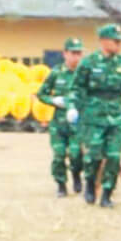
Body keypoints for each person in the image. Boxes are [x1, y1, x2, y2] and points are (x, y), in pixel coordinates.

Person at [72, 22, 121, 208]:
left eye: (120, 41)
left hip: (116, 114)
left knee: (114, 156)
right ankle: (90, 184)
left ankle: (107, 193)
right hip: (94, 115)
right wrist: (75, 108)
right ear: (104, 41)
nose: (119, 44)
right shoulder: (89, 62)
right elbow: (77, 88)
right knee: (93, 155)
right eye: (116, 41)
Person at [37, 36, 84, 197]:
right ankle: (61, 185)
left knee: (76, 154)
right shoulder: (56, 72)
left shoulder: (84, 74)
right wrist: (53, 101)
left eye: (79, 53)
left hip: (78, 123)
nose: (76, 57)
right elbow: (41, 94)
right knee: (59, 155)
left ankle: (76, 175)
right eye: (73, 53)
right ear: (65, 53)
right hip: (59, 123)